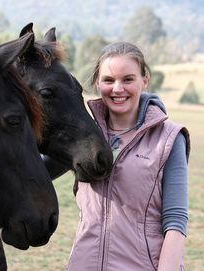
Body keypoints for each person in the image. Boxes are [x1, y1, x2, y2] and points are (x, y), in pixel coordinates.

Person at [62, 42, 190, 271]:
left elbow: (175, 220)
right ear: (97, 83)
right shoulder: (82, 137)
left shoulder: (169, 137)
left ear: (145, 80)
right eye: (109, 80)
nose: (118, 89)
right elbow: (33, 170)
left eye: (128, 79)